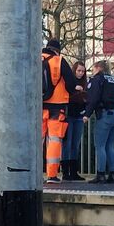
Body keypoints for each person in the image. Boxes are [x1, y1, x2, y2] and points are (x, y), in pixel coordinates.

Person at [41, 39, 77, 185]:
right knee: (54, 140)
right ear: (57, 50)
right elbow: (71, 84)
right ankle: (52, 175)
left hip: (37, 105)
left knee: (37, 140)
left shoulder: (33, 58)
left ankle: (33, 173)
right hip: (57, 106)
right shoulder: (59, 60)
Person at [82, 60, 114, 184]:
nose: (92, 72)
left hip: (105, 114)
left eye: (93, 69)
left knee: (100, 146)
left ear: (98, 68)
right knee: (110, 146)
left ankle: (100, 174)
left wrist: (87, 114)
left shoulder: (97, 80)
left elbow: (93, 98)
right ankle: (113, 174)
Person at [60, 61, 87, 181]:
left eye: (82, 71)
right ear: (74, 70)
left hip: (79, 115)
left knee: (75, 144)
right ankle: (66, 172)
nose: (80, 73)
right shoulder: (70, 82)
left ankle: (74, 171)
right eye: (79, 71)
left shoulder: (85, 83)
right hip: (69, 114)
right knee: (67, 143)